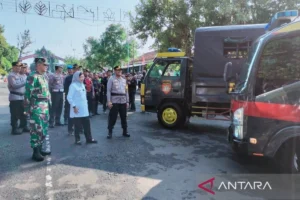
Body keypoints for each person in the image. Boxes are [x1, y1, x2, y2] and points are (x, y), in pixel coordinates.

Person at [24, 58, 51, 162]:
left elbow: (47, 92)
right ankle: (35, 152)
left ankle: (39, 149)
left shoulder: (44, 77)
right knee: (36, 129)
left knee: (43, 129)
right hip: (36, 107)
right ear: (38, 65)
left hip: (45, 107)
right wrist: (26, 108)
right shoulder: (32, 77)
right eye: (45, 64)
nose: (46, 66)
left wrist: (49, 104)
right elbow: (27, 93)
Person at [67, 71, 98, 145]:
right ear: (76, 77)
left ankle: (89, 138)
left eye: (83, 77)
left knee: (87, 125)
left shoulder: (82, 85)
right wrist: (74, 106)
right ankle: (77, 139)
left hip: (84, 109)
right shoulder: (73, 86)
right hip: (77, 109)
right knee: (77, 126)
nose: (82, 78)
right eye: (80, 77)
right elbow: (69, 97)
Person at [107, 66, 130, 139]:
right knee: (113, 117)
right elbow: (108, 91)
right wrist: (109, 101)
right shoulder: (111, 79)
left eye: (120, 70)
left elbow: (126, 91)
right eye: (117, 70)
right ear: (114, 71)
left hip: (123, 101)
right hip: (114, 101)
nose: (119, 71)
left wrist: (127, 101)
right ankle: (110, 132)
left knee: (124, 117)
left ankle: (125, 131)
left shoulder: (124, 80)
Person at [7, 62, 28, 135]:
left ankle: (23, 126)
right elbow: (15, 85)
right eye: (17, 66)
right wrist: (25, 82)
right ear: (13, 67)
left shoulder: (21, 75)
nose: (19, 68)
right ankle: (14, 129)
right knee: (15, 114)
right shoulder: (11, 75)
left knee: (24, 113)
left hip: (22, 97)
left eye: (20, 67)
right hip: (15, 97)